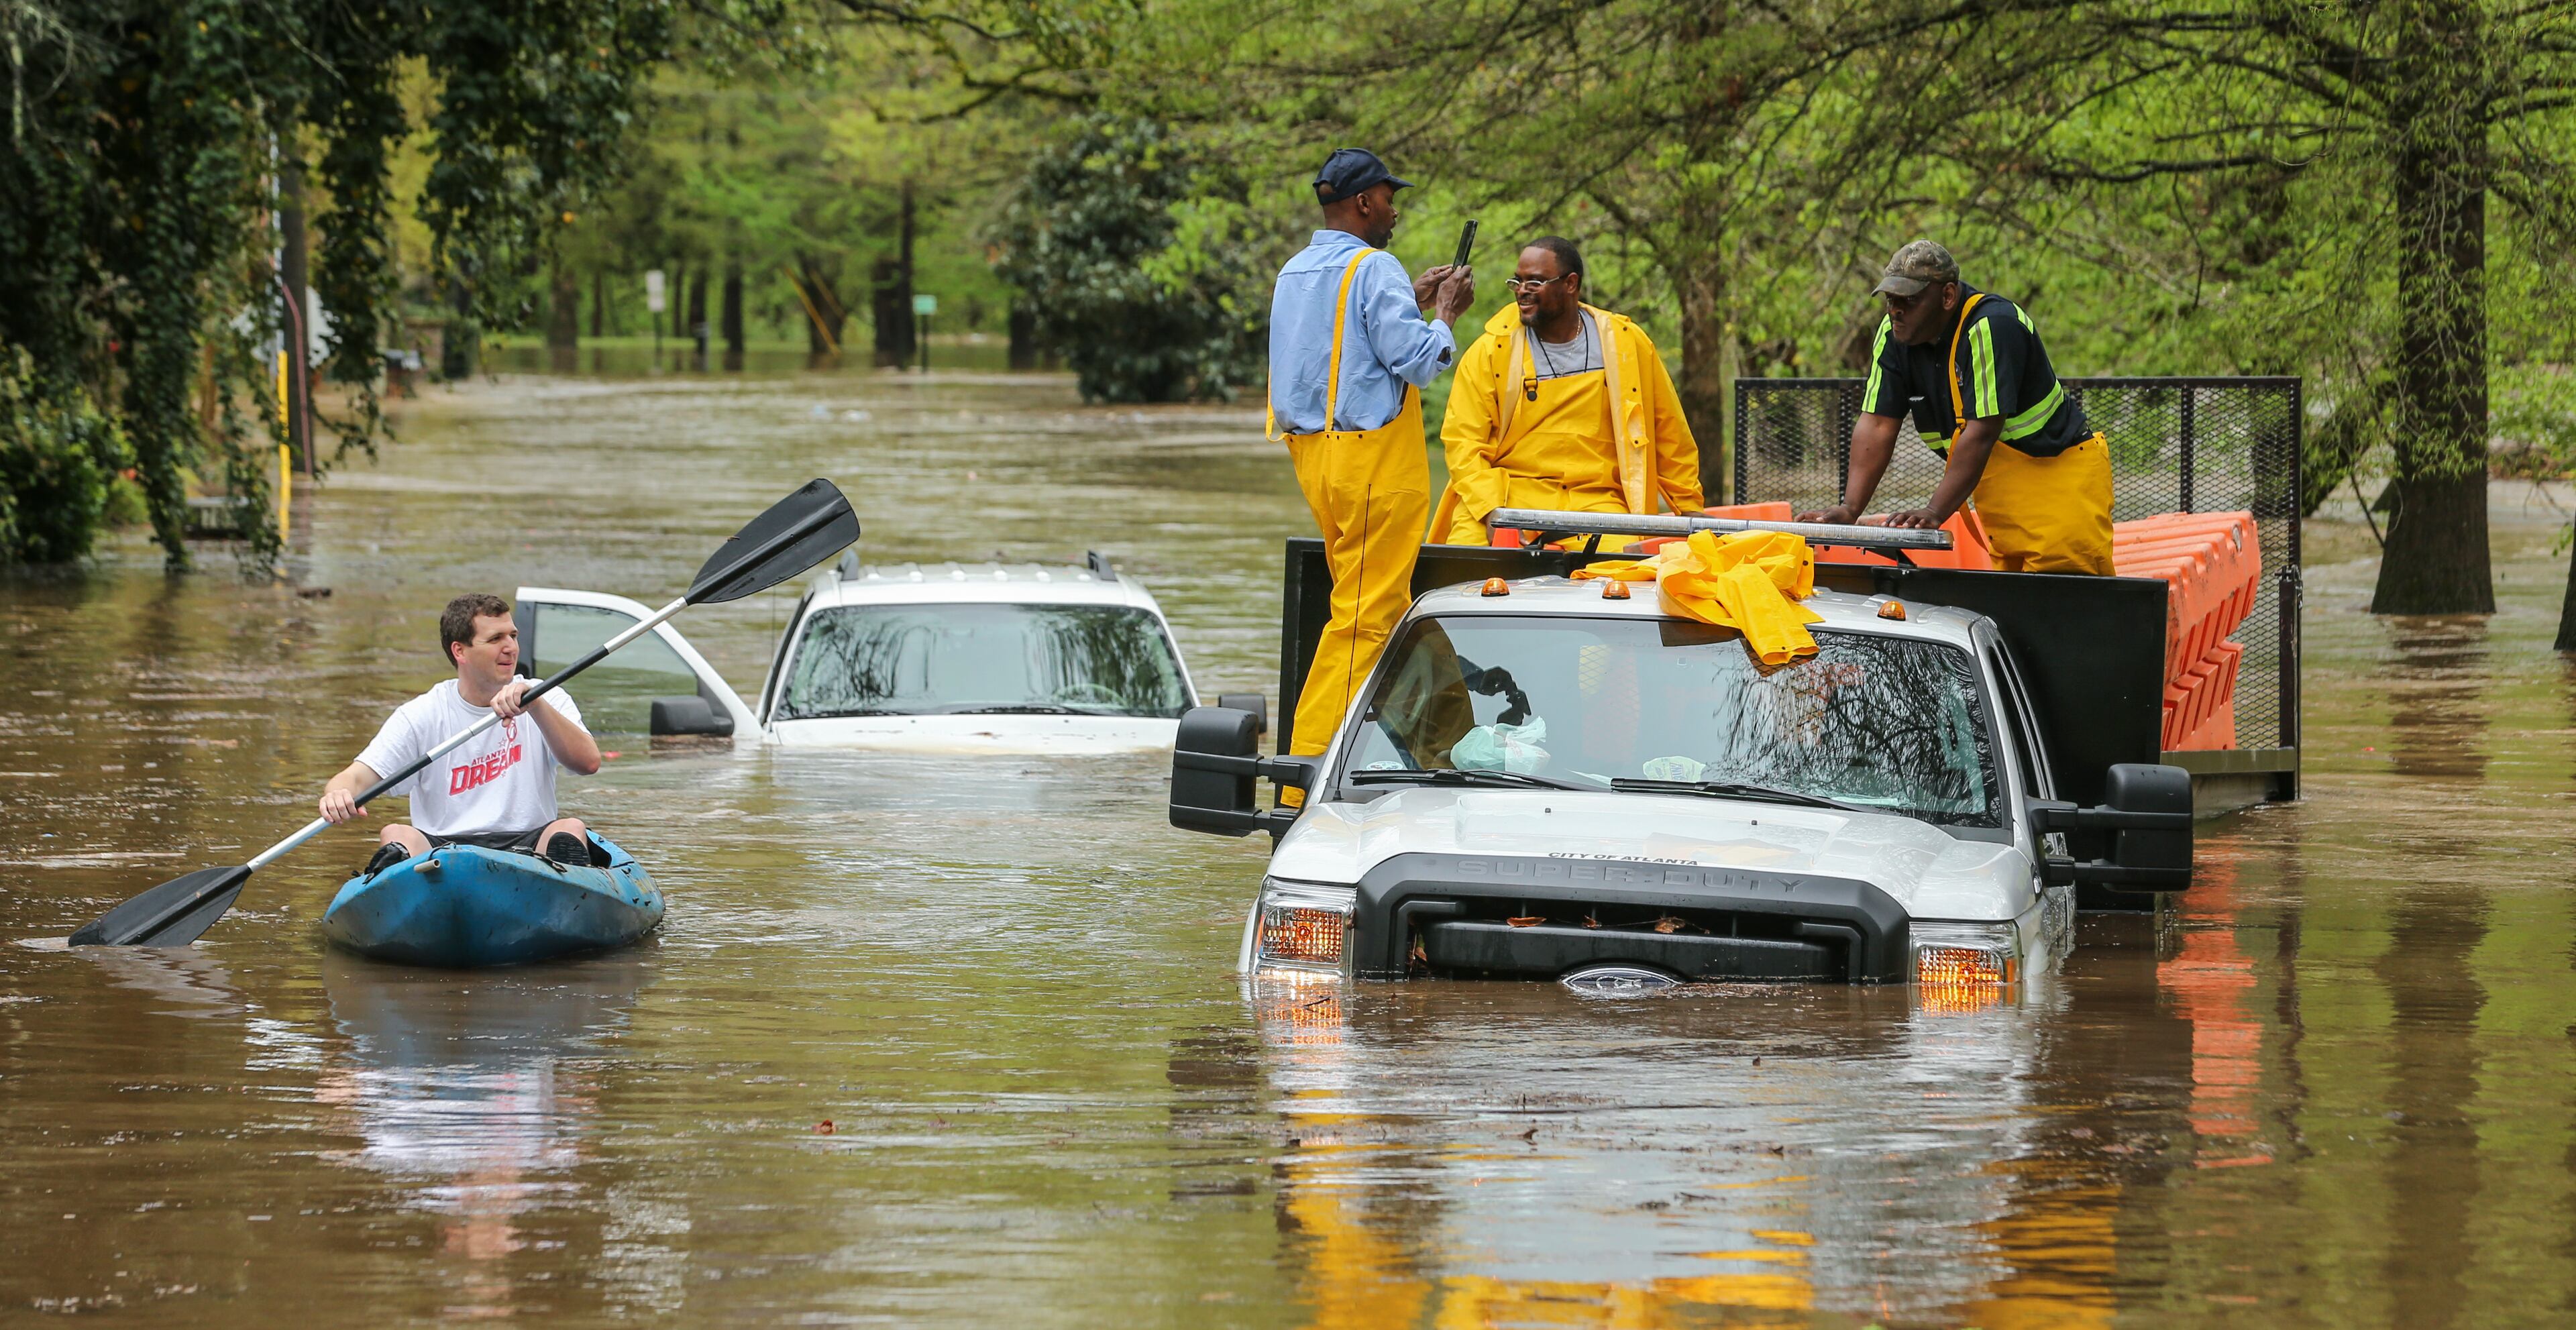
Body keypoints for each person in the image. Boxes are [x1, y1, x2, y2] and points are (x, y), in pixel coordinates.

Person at [1269, 147, 1475, 761]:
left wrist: (1406, 299)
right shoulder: (1375, 267)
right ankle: (1303, 772)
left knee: (1377, 607)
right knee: (1362, 623)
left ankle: (1451, 749)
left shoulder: (1296, 271)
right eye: (1389, 199)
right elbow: (1417, 361)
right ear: (1363, 202)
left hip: (1317, 464)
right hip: (1376, 469)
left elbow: (1334, 356)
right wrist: (1444, 317)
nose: (1394, 212)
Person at [1797, 240, 2115, 575]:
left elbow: (1981, 432)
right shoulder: (1894, 336)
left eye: (1909, 300)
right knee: (2014, 614)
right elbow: (1877, 424)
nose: (1896, 310)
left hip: (2059, 485)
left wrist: (1935, 511)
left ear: (1947, 296)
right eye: (1891, 300)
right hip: (2003, 496)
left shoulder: (1993, 325)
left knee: (2065, 608)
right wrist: (1850, 509)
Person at [1432, 236, 1703, 547]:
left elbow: (1669, 433)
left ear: (1571, 283)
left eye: (1535, 282)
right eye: (1517, 282)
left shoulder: (1626, 344)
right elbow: (1463, 443)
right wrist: (1493, 510)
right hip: (1508, 498)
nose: (1522, 291)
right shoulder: (1491, 350)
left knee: (1625, 576)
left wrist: (1691, 511)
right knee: (1467, 570)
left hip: (1598, 504)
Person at [319, 593, 603, 873]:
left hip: (529, 844)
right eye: (495, 639)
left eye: (513, 636)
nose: (511, 648)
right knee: (397, 833)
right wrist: (337, 794)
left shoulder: (545, 697)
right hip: (441, 851)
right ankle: (406, 891)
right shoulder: (422, 713)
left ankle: (561, 888)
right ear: (460, 651)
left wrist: (536, 706)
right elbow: (355, 777)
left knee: (570, 828)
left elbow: (589, 763)